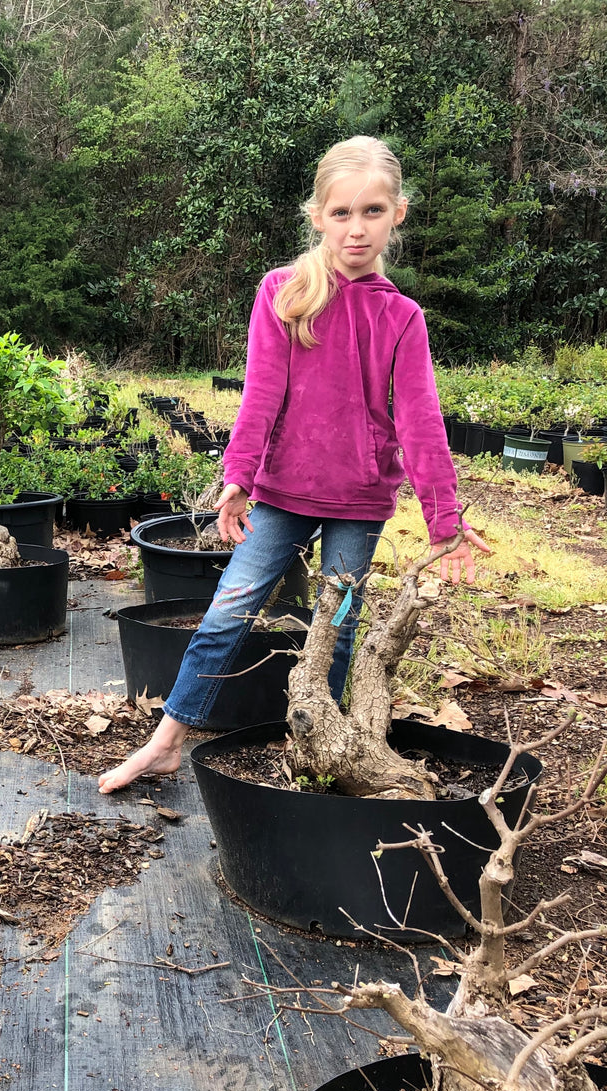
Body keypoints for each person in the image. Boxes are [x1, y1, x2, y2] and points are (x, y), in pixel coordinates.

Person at [99, 135, 490, 795]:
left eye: (372, 211)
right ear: (317, 216)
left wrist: (443, 519)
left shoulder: (403, 318)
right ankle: (168, 739)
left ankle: (321, 752)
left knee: (335, 632)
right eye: (342, 213)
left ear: (397, 214)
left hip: (359, 504)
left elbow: (420, 422)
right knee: (228, 611)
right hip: (280, 495)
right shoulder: (284, 293)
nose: (356, 228)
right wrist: (237, 480)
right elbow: (261, 396)